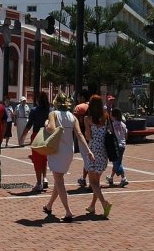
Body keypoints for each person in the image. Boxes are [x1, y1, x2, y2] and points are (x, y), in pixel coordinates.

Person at [42, 93, 93, 222]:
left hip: (57, 150)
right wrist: (88, 151)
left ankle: (68, 211)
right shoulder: (72, 116)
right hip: (68, 151)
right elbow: (80, 134)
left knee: (59, 180)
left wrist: (46, 123)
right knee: (58, 178)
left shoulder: (53, 114)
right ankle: (49, 205)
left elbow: (51, 129)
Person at [84, 95, 113, 217]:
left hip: (93, 151)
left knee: (93, 183)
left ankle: (104, 203)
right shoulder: (106, 117)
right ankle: (92, 206)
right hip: (104, 151)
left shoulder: (88, 119)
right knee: (97, 181)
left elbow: (88, 136)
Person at [19, 91, 50, 192]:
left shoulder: (34, 110)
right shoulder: (49, 110)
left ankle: (39, 183)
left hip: (36, 135)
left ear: (37, 100)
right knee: (44, 158)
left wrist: (22, 137)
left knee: (37, 160)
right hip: (46, 135)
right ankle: (45, 178)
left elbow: (29, 125)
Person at [72, 89, 91, 188]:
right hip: (94, 136)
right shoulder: (94, 106)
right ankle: (83, 179)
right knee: (90, 158)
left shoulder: (79, 108)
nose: (78, 99)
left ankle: (92, 182)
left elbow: (72, 123)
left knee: (87, 160)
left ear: (83, 97)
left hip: (82, 136)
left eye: (79, 97)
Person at [106, 107, 128, 187]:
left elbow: (111, 131)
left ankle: (123, 178)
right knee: (118, 161)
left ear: (114, 116)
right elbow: (126, 136)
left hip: (116, 145)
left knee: (116, 162)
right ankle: (111, 177)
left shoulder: (113, 124)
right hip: (123, 145)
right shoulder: (123, 125)